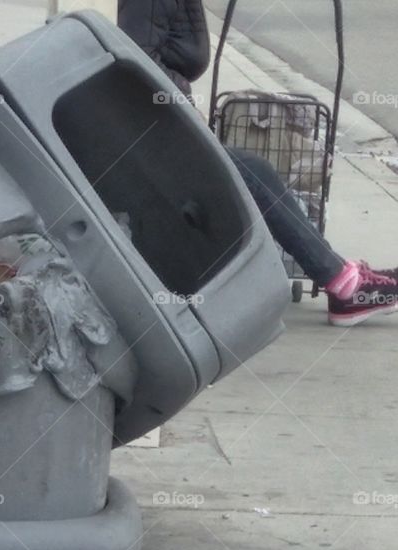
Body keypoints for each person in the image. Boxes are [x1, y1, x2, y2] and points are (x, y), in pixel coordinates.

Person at [117, 0, 398, 326]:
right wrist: (182, 107)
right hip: (150, 145)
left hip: (162, 135)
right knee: (252, 171)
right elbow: (137, 60)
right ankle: (344, 286)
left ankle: (340, 274)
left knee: (253, 169)